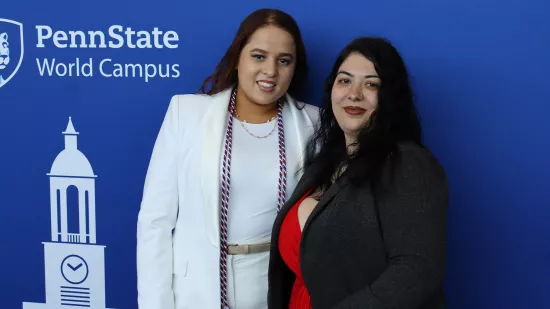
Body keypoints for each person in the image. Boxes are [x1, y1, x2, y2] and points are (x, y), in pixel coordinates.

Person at [136, 8, 319, 309]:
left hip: (276, 288)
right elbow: (155, 221)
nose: (270, 71)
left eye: (283, 60)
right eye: (258, 56)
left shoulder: (314, 125)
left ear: (294, 67)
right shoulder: (186, 115)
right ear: (238, 58)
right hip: (196, 290)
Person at [268, 37, 449, 309]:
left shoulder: (408, 162)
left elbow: (417, 270)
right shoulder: (324, 163)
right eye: (345, 80)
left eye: (371, 84)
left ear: (390, 97)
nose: (354, 94)